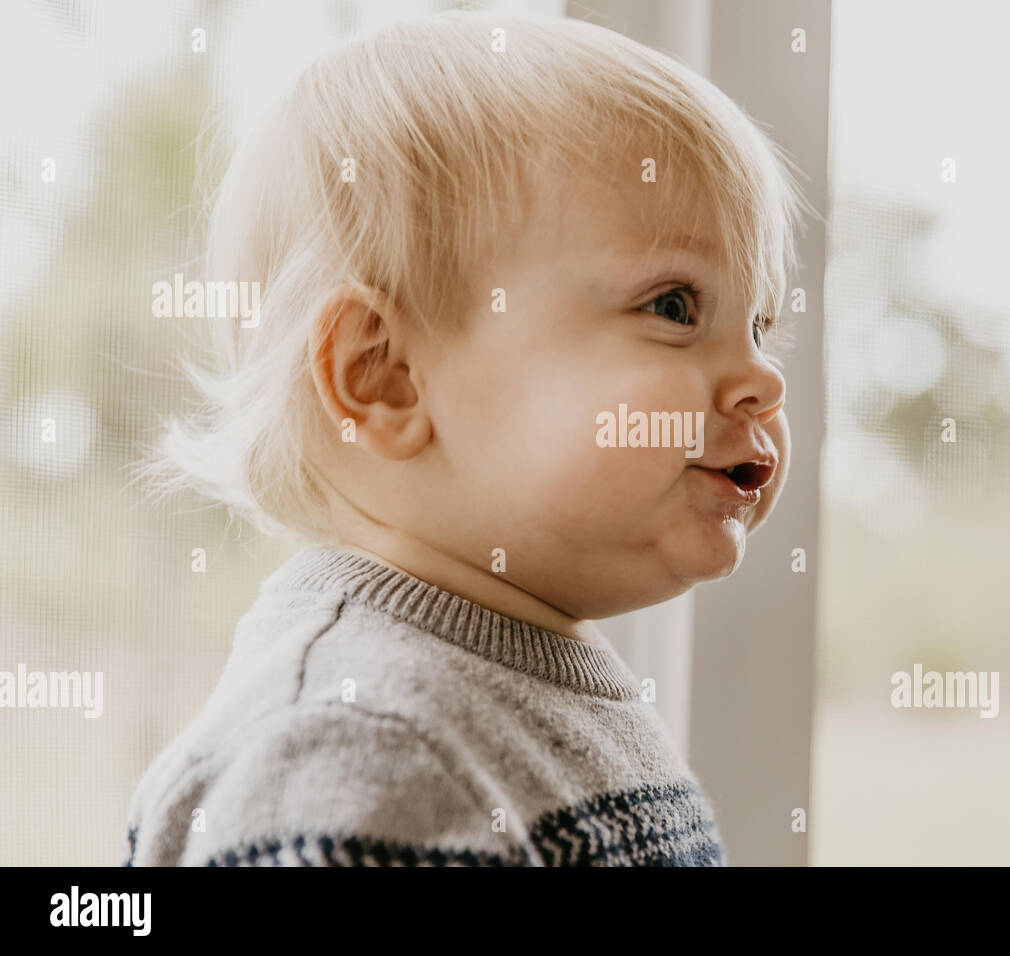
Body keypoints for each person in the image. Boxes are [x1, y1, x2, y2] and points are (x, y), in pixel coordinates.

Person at [123, 9, 809, 866]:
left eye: (759, 325)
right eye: (673, 307)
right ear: (385, 377)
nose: (764, 379)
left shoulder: (518, 676)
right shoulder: (358, 748)